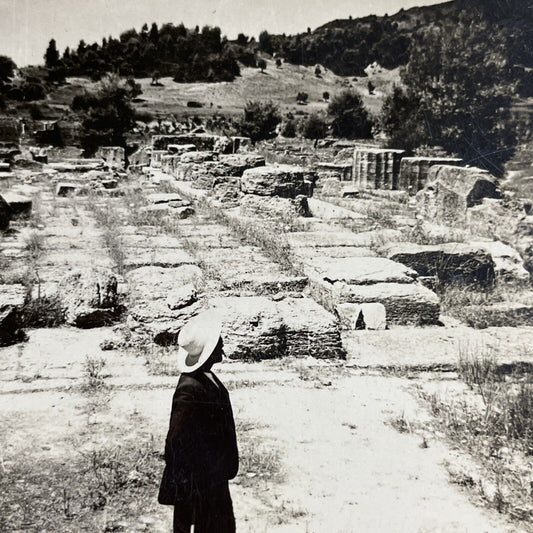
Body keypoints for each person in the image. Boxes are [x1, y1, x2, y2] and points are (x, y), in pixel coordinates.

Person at [158, 310, 239, 533]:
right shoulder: (189, 388)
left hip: (214, 476)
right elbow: (176, 441)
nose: (222, 345)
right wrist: (189, 490)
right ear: (209, 351)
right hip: (201, 481)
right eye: (218, 342)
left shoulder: (206, 377)